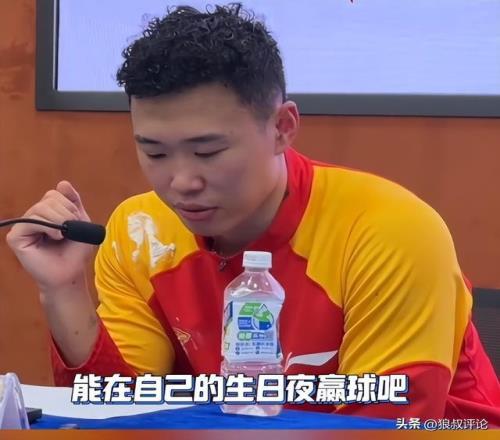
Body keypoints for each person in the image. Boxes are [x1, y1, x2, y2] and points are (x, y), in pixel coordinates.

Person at [7, 3, 500, 422]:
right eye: (154, 152)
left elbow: (382, 425)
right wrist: (64, 291)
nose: (181, 182)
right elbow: (121, 413)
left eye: (208, 151)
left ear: (283, 127)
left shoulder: (390, 230)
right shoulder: (140, 230)